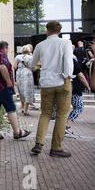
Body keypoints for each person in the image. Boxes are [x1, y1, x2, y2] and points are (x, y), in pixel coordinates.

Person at [30, 21, 74, 157]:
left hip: (46, 83)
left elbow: (32, 63)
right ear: (59, 31)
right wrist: (67, 76)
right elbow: (68, 61)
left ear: (47, 30)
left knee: (45, 113)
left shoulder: (40, 45)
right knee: (62, 115)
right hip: (62, 81)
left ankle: (39, 143)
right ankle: (56, 147)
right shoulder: (65, 43)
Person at [0, 41, 31, 141]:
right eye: (7, 49)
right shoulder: (1, 55)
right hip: (2, 87)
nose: (8, 51)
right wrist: (8, 81)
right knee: (11, 108)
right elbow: (2, 66)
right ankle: (17, 132)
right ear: (4, 48)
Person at [65, 56, 91, 137]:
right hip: (74, 88)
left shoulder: (58, 59)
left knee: (63, 109)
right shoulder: (71, 60)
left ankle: (64, 127)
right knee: (79, 107)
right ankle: (65, 126)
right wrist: (87, 86)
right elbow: (81, 75)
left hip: (62, 86)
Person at [13, 44, 35, 116]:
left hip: (19, 74)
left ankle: (22, 108)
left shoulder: (17, 57)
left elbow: (14, 67)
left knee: (21, 91)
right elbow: (33, 68)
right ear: (29, 50)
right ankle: (25, 110)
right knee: (28, 91)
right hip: (28, 74)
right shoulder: (31, 57)